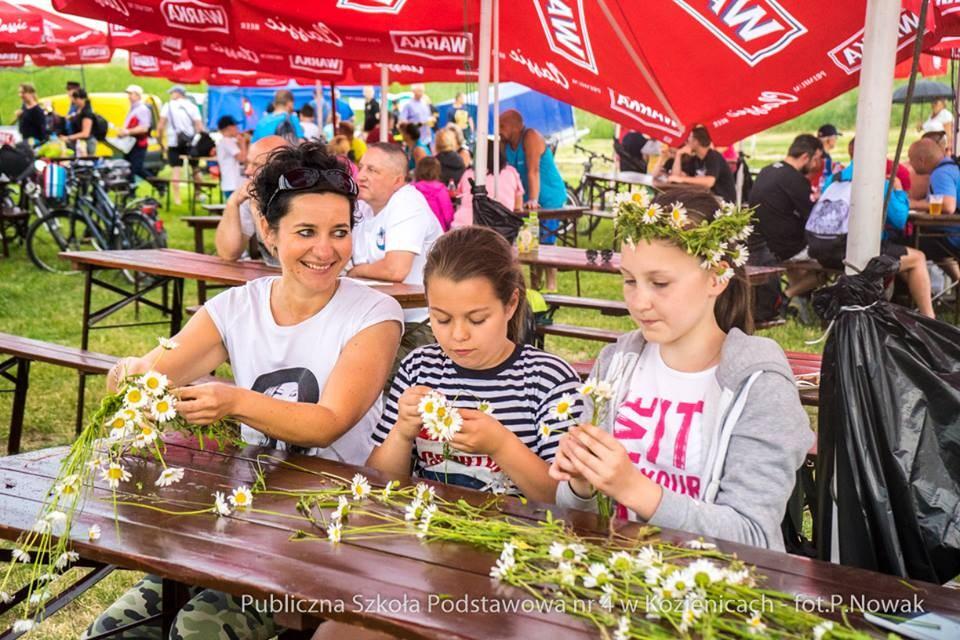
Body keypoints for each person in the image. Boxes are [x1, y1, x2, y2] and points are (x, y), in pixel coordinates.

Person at [85, 141, 403, 640]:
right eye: (306, 232)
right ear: (270, 234)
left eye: (339, 232)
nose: (326, 250)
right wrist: (129, 375)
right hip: (245, 517)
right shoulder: (235, 306)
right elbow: (152, 375)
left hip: (339, 523)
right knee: (113, 630)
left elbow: (328, 422)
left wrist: (234, 401)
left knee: (197, 630)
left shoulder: (374, 314)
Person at [550, 188, 813, 551]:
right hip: (615, 582)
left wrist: (637, 490)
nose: (639, 302)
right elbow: (578, 512)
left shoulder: (759, 385)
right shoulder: (616, 364)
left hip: (715, 596)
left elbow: (753, 536)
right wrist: (582, 483)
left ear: (717, 277)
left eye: (660, 283)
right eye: (629, 280)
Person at [368, 225, 582, 499]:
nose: (458, 335)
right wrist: (401, 433)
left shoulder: (547, 381)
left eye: (477, 319)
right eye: (442, 319)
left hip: (522, 537)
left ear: (511, 304)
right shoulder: (419, 369)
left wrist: (501, 446)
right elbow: (379, 484)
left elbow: (567, 501)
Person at [349, 143, 443, 386]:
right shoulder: (363, 208)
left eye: (372, 170)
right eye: (361, 168)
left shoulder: (407, 202)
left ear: (398, 180)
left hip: (421, 325)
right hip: (378, 320)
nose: (361, 176)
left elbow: (395, 269)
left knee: (356, 375)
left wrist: (356, 271)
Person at [808, 138, 935, 318]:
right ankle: (929, 318)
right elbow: (899, 220)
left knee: (896, 258)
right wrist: (897, 189)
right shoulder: (877, 182)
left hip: (823, 250)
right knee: (917, 259)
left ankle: (885, 305)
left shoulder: (834, 179)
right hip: (855, 253)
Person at [747, 134, 824, 299]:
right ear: (805, 157)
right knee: (829, 261)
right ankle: (785, 297)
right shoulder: (795, 180)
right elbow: (814, 218)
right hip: (785, 248)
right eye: (816, 159)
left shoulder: (766, 171)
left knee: (800, 269)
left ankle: (796, 302)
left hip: (762, 244)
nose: (817, 164)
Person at [500, 109, 567, 291]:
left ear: (515, 126)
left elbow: (533, 170)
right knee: (529, 244)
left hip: (548, 197)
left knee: (547, 242)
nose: (499, 130)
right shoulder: (504, 144)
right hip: (527, 201)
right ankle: (536, 285)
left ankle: (551, 285)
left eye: (502, 126)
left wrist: (533, 198)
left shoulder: (531, 136)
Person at [215, 135, 289, 267]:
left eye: (256, 165)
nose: (248, 171)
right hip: (274, 279)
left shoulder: (299, 198)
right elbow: (228, 253)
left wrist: (256, 209)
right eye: (247, 163)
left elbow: (287, 258)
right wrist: (233, 203)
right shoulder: (253, 194)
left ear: (281, 168)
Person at [907, 138, 960, 281]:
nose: (910, 164)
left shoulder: (941, 173)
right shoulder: (952, 167)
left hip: (953, 237)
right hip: (951, 235)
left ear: (922, 160)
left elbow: (948, 206)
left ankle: (921, 294)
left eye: (911, 159)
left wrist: (912, 204)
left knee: (901, 248)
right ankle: (956, 281)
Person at [453, 139, 524, 228]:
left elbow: (459, 197)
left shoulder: (468, 174)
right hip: (501, 228)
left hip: (464, 226)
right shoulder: (511, 173)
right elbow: (518, 206)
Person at [157, 85, 203, 206]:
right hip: (190, 142)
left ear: (178, 93)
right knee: (195, 169)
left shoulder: (168, 106)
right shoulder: (192, 106)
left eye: (172, 93)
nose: (171, 95)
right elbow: (199, 126)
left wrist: (160, 142)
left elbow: (161, 125)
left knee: (175, 171)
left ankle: (177, 199)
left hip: (174, 142)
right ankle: (198, 193)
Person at [668, 125, 737, 203]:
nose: (687, 141)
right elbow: (675, 177)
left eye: (689, 137)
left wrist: (682, 179)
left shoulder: (713, 156)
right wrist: (678, 155)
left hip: (723, 201)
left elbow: (709, 182)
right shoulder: (696, 159)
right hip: (707, 198)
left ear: (696, 141)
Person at [117, 84, 153, 181]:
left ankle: (157, 183)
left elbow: (144, 128)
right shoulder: (133, 108)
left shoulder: (142, 109)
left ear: (137, 95)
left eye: (130, 94)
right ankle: (130, 189)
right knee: (130, 168)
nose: (128, 96)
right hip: (130, 143)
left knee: (135, 168)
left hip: (138, 143)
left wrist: (127, 132)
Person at [413, 156, 454, 232]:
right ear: (437, 171)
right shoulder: (440, 189)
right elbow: (447, 213)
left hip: (417, 228)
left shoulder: (412, 189)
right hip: (438, 229)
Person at [215, 115, 247, 201]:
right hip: (232, 184)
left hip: (232, 184)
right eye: (236, 126)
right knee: (236, 212)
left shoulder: (228, 141)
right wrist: (243, 144)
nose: (237, 128)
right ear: (229, 127)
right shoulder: (227, 141)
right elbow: (242, 158)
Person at [61, 89, 97, 157]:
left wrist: (68, 138)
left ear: (80, 99)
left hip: (87, 144)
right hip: (79, 144)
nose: (74, 102)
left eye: (75, 99)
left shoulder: (87, 112)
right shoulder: (79, 109)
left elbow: (85, 133)